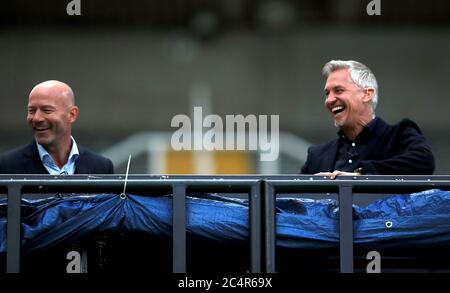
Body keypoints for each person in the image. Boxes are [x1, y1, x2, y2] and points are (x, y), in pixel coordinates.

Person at [300, 60, 435, 178]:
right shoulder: (316, 155)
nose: (329, 100)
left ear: (366, 94)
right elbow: (292, 199)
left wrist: (361, 173)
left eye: (339, 90)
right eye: (327, 93)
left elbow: (424, 161)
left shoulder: (399, 135)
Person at [0, 80, 114, 174]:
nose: (36, 118)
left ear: (72, 114)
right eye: (32, 110)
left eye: (47, 110)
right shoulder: (6, 167)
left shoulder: (102, 167)